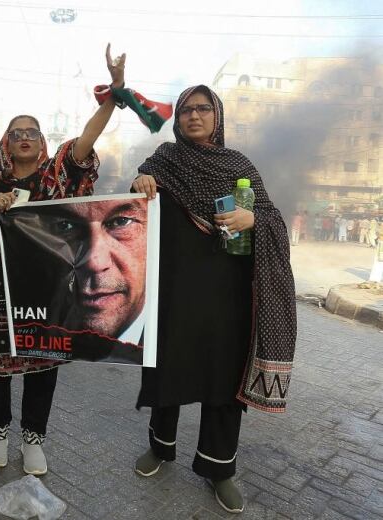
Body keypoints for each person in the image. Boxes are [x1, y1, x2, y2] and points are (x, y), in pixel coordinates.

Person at [131, 85, 296, 514]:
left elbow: (274, 218)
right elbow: (139, 191)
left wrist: (253, 217)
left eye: (204, 108)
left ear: (217, 116)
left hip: (229, 296)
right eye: (186, 109)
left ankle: (219, 468)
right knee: (168, 366)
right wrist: (141, 179)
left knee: (224, 382)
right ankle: (160, 447)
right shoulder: (165, 159)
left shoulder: (238, 164)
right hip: (175, 290)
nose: (194, 115)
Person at [0, 44, 125, 476]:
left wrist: (114, 93)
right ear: (5, 141)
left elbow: (87, 140)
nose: (23, 137)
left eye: (32, 132)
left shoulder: (57, 175)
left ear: (42, 143)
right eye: (16, 131)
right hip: (2, 288)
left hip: (49, 287)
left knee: (42, 361)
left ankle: (33, 439)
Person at [0, 197, 148, 363]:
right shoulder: (45, 324)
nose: (94, 262)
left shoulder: (167, 334)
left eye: (121, 222)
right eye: (66, 226)